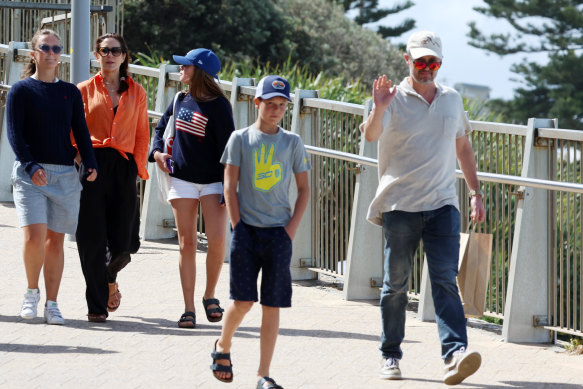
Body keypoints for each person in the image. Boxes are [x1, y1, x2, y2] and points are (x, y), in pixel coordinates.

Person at [360, 31, 486, 385]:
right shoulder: (391, 98)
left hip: (443, 205)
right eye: (420, 62)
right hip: (400, 206)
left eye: (433, 62)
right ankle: (390, 355)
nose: (427, 68)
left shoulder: (452, 99)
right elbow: (370, 136)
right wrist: (379, 107)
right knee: (395, 285)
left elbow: (463, 147)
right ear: (407, 60)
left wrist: (475, 192)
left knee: (445, 279)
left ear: (440, 64)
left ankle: (455, 353)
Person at [210, 75, 311, 389]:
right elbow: (229, 184)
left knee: (272, 304)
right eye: (270, 104)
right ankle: (222, 346)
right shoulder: (240, 138)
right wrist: (238, 225)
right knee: (243, 301)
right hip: (247, 233)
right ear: (257, 103)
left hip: (279, 234)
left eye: (282, 106)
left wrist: (290, 230)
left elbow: (305, 189)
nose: (276, 110)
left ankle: (262, 375)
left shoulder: (292, 142)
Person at [6, 29, 98, 325]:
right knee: (34, 236)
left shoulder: (69, 92)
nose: (51, 52)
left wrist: (91, 161)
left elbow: (81, 131)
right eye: (45, 47)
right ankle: (31, 293)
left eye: (56, 48)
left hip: (64, 175)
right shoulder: (20, 90)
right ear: (34, 53)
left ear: (61, 55)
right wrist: (31, 166)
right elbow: (14, 134)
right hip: (30, 174)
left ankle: (52, 303)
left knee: (55, 242)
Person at [149, 48, 234, 328]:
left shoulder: (220, 106)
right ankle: (188, 309)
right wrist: (158, 153)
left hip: (213, 182)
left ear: (200, 72)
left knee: (217, 241)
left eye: (186, 66)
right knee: (187, 244)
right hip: (182, 179)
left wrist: (227, 187)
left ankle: (209, 296)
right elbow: (160, 130)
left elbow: (230, 150)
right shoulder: (179, 99)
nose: (180, 70)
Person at [76, 33, 150, 323]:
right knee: (91, 237)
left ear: (123, 56)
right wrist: (81, 160)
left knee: (126, 241)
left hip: (124, 165)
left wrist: (138, 169)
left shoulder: (137, 92)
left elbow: (143, 133)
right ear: (97, 55)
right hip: (93, 164)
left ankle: (108, 276)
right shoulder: (83, 89)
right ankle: (96, 305)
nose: (110, 55)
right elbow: (74, 129)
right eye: (104, 50)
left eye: (115, 50)